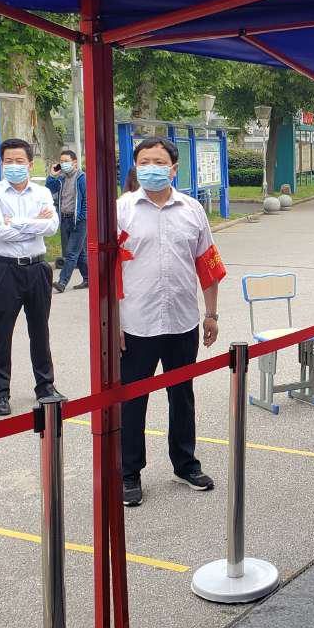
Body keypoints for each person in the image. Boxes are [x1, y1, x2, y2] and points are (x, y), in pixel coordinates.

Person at [117, 138, 224, 506]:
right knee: (132, 400)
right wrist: (110, 323)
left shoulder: (192, 210)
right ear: (136, 167)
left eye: (159, 162)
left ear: (174, 169)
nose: (152, 168)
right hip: (136, 324)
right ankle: (129, 473)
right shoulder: (121, 210)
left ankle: (185, 464)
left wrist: (211, 314)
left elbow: (208, 264)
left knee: (182, 395)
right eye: (144, 161)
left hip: (182, 321)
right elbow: (107, 272)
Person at [0, 139, 61, 416]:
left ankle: (45, 387)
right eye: (8, 161)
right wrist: (35, 223)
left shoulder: (41, 192)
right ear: (2, 164)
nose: (14, 166)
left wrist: (14, 221)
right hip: (5, 269)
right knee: (1, 332)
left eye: (19, 161)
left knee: (40, 330)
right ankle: (0, 393)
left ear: (30, 163)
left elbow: (52, 227)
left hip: (38, 268)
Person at [45, 149, 88, 293]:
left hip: (79, 221)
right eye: (61, 161)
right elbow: (49, 189)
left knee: (71, 253)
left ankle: (62, 282)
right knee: (79, 252)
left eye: (66, 161)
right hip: (64, 219)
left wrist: (81, 217)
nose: (63, 164)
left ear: (74, 162)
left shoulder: (82, 178)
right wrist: (52, 175)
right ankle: (88, 278)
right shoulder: (61, 178)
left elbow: (87, 200)